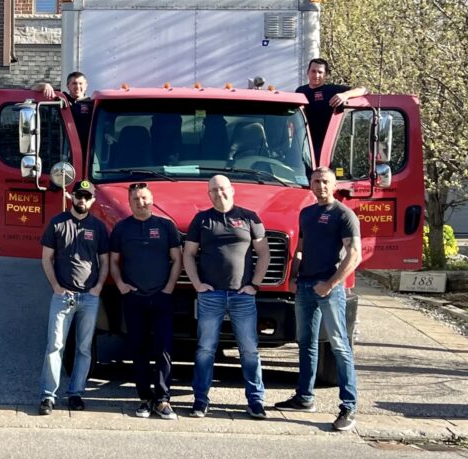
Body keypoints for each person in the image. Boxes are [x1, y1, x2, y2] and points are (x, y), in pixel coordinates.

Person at [275, 167, 362, 432]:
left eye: (325, 182)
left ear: (334, 185)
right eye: (316, 181)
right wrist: (293, 276)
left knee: (339, 346)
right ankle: (304, 397)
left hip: (329, 289)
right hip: (305, 287)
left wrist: (331, 284)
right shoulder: (307, 213)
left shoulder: (344, 215)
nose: (320, 186)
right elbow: (300, 250)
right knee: (305, 343)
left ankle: (348, 406)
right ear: (310, 184)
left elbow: (354, 254)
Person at [183, 175, 270, 419]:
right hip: (211, 296)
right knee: (205, 349)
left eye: (222, 189)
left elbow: (264, 252)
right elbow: (188, 254)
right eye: (213, 190)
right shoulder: (201, 220)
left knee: (249, 349)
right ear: (208, 194)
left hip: (243, 295)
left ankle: (256, 401)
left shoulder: (249, 217)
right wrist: (197, 284)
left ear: (232, 190)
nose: (218, 193)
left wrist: (255, 285)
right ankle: (200, 400)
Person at [109, 182, 183, 420]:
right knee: (138, 349)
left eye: (144, 198)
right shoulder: (121, 229)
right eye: (135, 199)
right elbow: (113, 261)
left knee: (163, 349)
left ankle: (162, 399)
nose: (140, 203)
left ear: (152, 199)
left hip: (161, 297)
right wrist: (121, 285)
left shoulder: (166, 226)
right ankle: (144, 398)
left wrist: (169, 288)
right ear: (129, 203)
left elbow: (177, 259)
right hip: (134, 298)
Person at [38, 179, 109, 415]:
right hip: (62, 296)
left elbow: (105, 260)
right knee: (55, 346)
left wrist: (98, 287)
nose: (82, 200)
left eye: (87, 197)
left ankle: (76, 393)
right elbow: (46, 258)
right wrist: (56, 286)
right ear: (72, 196)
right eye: (79, 195)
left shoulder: (98, 227)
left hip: (89, 297)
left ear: (93, 200)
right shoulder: (57, 223)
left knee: (84, 348)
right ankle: (48, 396)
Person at [295, 58, 367, 160]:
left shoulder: (332, 90)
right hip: (303, 143)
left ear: (326, 75)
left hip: (325, 145)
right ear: (308, 72)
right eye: (313, 71)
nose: (316, 75)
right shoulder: (300, 90)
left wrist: (345, 95)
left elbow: (364, 89)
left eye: (320, 72)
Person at [35, 71, 94, 146]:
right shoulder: (62, 98)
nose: (77, 86)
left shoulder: (92, 104)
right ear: (67, 86)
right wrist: (45, 85)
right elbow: (34, 88)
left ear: (86, 86)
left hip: (85, 148)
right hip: (64, 148)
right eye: (74, 83)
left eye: (80, 83)